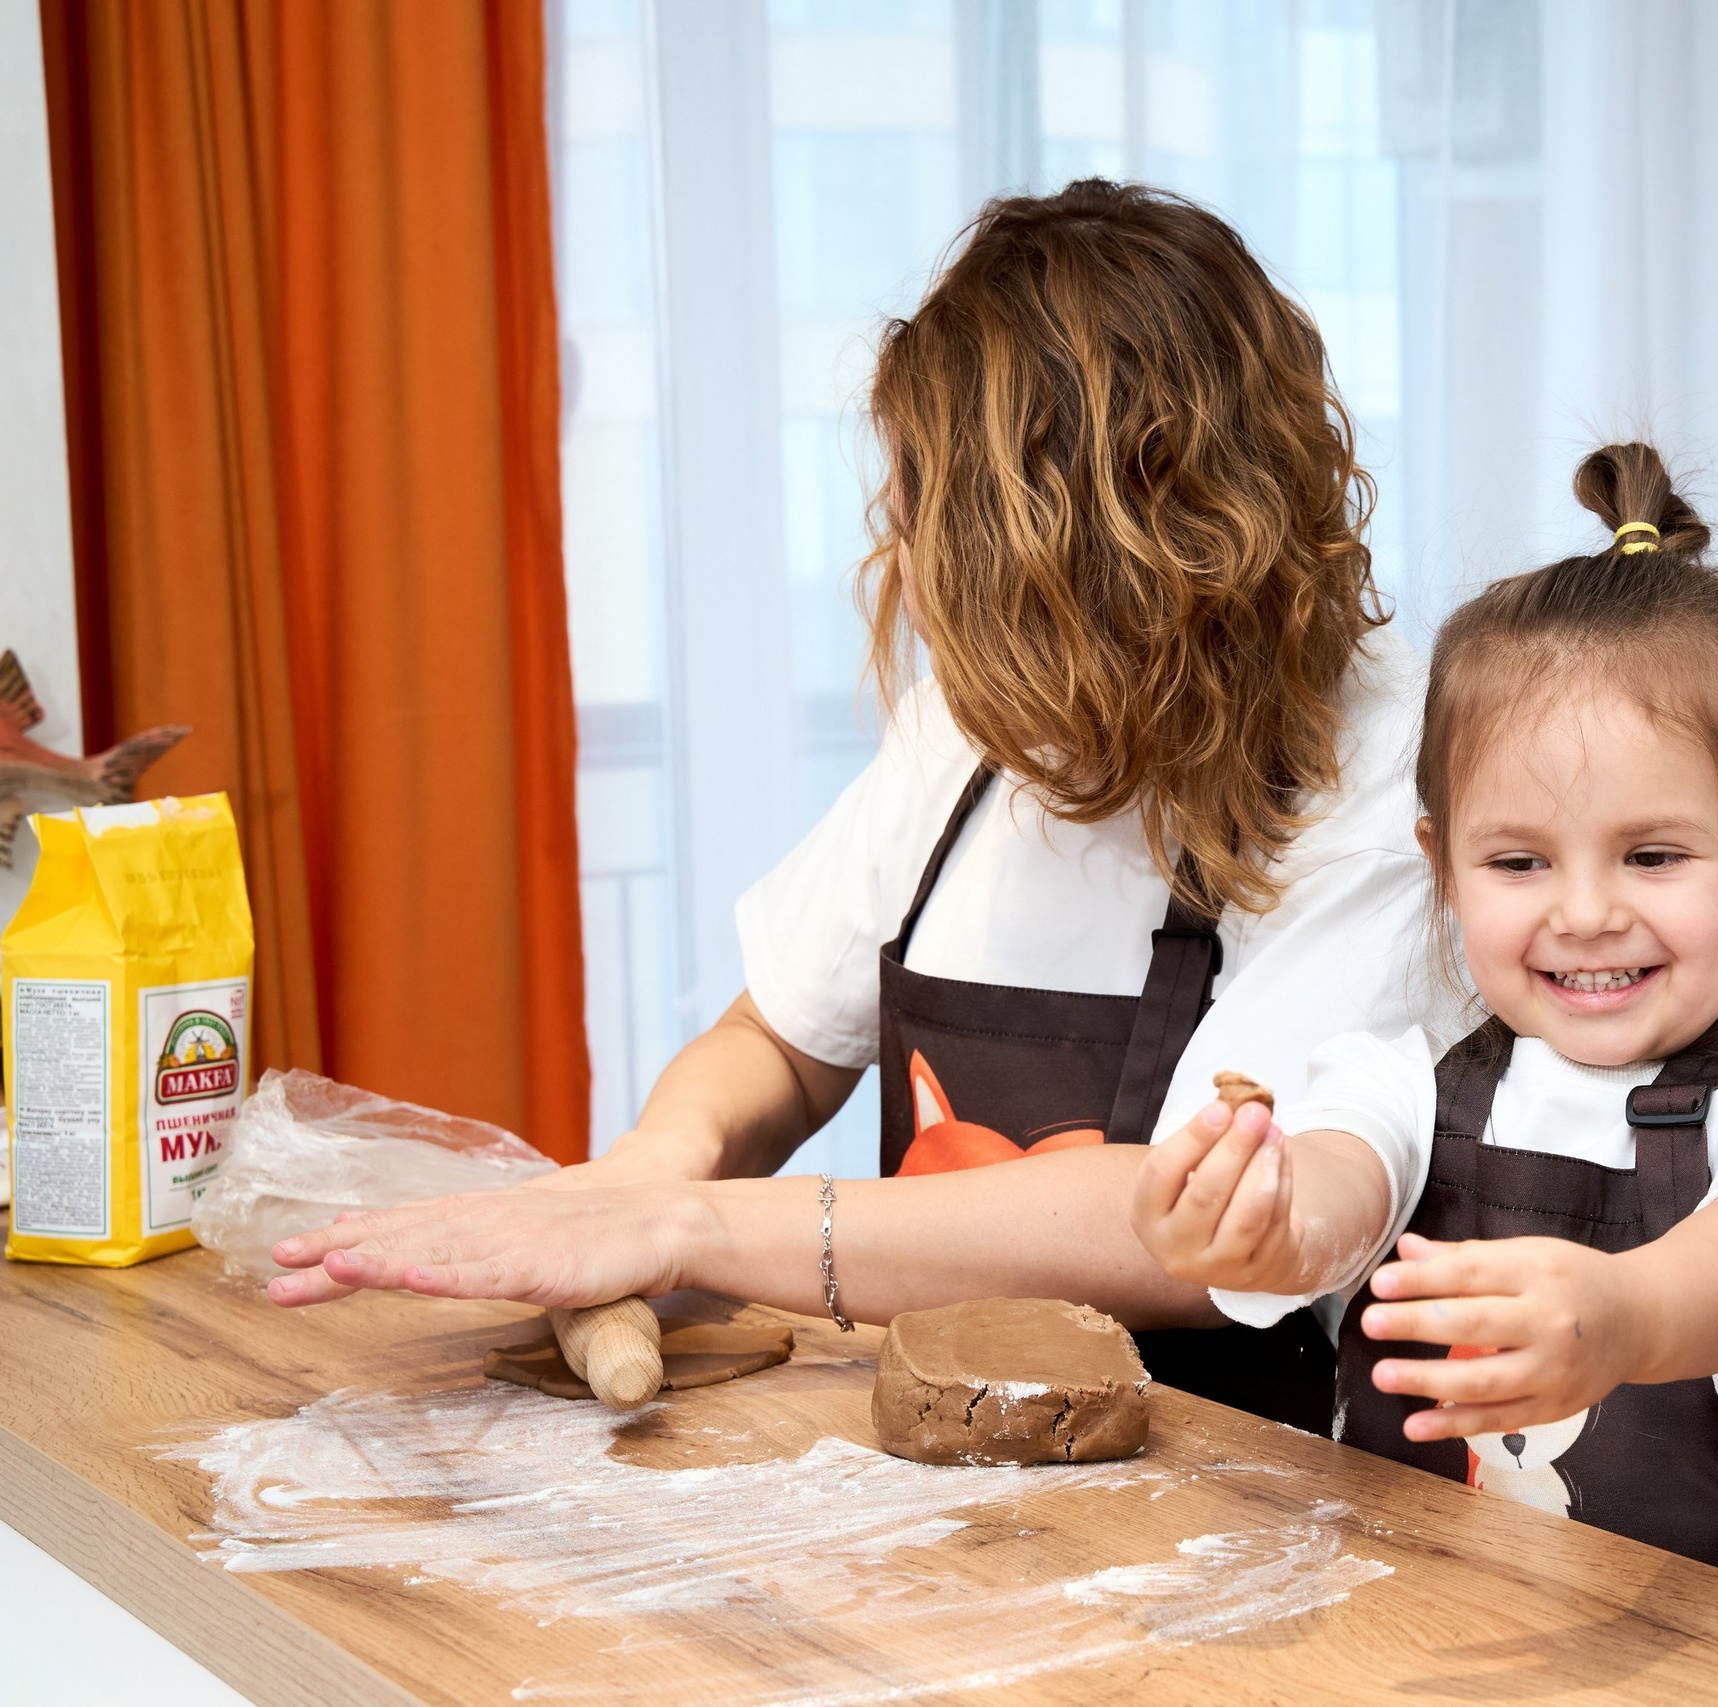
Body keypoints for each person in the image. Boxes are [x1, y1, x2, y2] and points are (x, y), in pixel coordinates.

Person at [270, 180, 1449, 1432]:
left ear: (1098, 535)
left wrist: (685, 1228)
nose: (901, 542)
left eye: (939, 510)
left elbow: (1200, 1232)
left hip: (1239, 1491)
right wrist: (636, 1181)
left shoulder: (1391, 772)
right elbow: (775, 1040)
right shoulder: (981, 720)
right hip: (948, 1453)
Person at [1125, 443, 1718, 1592]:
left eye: (1652, 854)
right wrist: (1260, 1225)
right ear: (1444, 870)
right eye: (1519, 861)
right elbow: (1339, 1193)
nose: (1585, 914)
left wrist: (1626, 1314)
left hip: (1687, 1675)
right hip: (1405, 1645)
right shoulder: (1397, 1086)